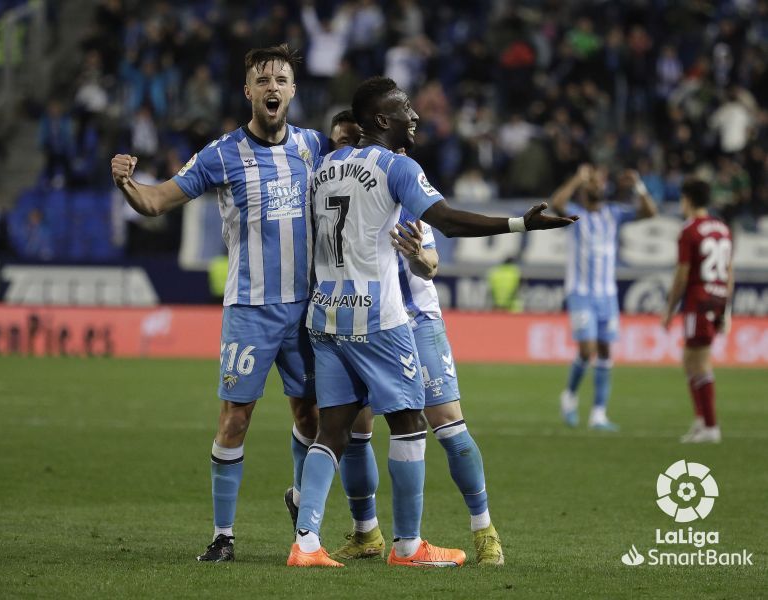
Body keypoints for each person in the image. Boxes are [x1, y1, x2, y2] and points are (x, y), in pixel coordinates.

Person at [287, 76, 576, 567]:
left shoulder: (324, 169)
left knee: (332, 430)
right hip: (381, 316)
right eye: (404, 110)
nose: (414, 117)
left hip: (327, 315)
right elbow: (449, 221)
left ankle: (306, 544)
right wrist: (518, 223)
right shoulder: (398, 167)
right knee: (409, 423)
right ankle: (407, 546)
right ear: (381, 120)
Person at [110, 44, 328, 563]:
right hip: (250, 310)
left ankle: (303, 508)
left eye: (281, 78)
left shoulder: (314, 147)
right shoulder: (221, 154)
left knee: (312, 416)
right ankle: (224, 535)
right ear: (248, 91)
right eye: (263, 79)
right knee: (235, 417)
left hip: (305, 308)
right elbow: (157, 200)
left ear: (293, 90)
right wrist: (125, 182)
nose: (273, 86)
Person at [313, 109, 503, 566]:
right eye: (337, 144)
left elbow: (431, 265)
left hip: (414, 321)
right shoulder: (335, 186)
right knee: (355, 432)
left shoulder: (401, 189)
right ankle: (366, 533)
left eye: (350, 142)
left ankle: (484, 530)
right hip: (356, 321)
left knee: (447, 424)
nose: (345, 151)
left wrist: (419, 256)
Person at [550, 164, 657, 430]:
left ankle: (599, 414)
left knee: (607, 350)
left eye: (599, 182)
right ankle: (570, 395)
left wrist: (638, 186)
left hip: (607, 295)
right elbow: (556, 203)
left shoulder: (614, 214)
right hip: (581, 293)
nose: (597, 185)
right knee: (587, 351)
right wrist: (577, 178)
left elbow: (649, 213)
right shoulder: (575, 216)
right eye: (593, 183)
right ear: (585, 190)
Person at [661, 179, 733, 443]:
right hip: (715, 299)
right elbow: (729, 272)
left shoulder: (690, 230)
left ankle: (711, 426)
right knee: (689, 360)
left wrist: (669, 309)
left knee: (699, 361)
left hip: (698, 300)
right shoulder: (722, 228)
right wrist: (726, 307)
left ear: (688, 200)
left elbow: (682, 274)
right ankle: (702, 422)